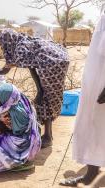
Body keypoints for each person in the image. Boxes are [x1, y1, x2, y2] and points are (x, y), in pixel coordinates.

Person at [0, 29, 69, 148]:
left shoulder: (20, 49)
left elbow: (14, 69)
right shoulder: (22, 43)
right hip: (59, 59)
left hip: (53, 64)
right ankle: (48, 135)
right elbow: (30, 66)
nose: (2, 46)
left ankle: (48, 137)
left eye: (2, 43)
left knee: (46, 98)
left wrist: (40, 90)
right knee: (45, 98)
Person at [60, 15, 105, 186]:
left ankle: (92, 174)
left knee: (97, 126)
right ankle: (92, 172)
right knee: (93, 127)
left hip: (102, 84)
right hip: (96, 83)